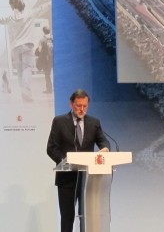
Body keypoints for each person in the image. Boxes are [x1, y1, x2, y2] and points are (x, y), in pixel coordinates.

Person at [46, 89, 110, 232]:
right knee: (67, 217)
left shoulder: (94, 123)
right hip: (67, 179)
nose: (82, 109)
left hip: (89, 179)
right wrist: (65, 161)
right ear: (71, 104)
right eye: (78, 105)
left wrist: (105, 149)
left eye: (84, 106)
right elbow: (51, 148)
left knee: (87, 216)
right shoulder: (59, 121)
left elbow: (104, 142)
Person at [0, 0, 49, 102]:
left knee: (20, 71)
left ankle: (23, 91)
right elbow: (43, 7)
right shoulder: (30, 13)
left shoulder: (9, 18)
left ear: (11, 5)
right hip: (27, 45)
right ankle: (26, 91)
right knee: (27, 69)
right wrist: (52, 1)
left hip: (15, 47)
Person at [35, 26, 53, 93]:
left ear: (43, 31)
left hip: (46, 59)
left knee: (47, 74)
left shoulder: (42, 40)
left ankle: (49, 89)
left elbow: (39, 50)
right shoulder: (52, 38)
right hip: (53, 58)